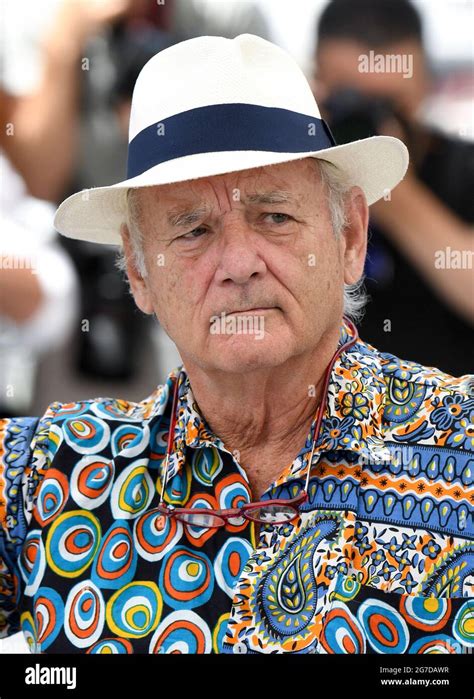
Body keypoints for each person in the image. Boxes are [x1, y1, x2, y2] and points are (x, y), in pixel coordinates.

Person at [0, 34, 472, 655]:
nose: (239, 263)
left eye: (275, 217)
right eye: (192, 230)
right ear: (138, 272)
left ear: (351, 237)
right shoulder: (46, 474)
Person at [313, 0, 474, 376]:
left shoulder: (464, 169)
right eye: (352, 100)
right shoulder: (298, 178)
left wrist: (391, 188)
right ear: (318, 88)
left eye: (391, 104)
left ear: (425, 84)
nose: (377, 121)